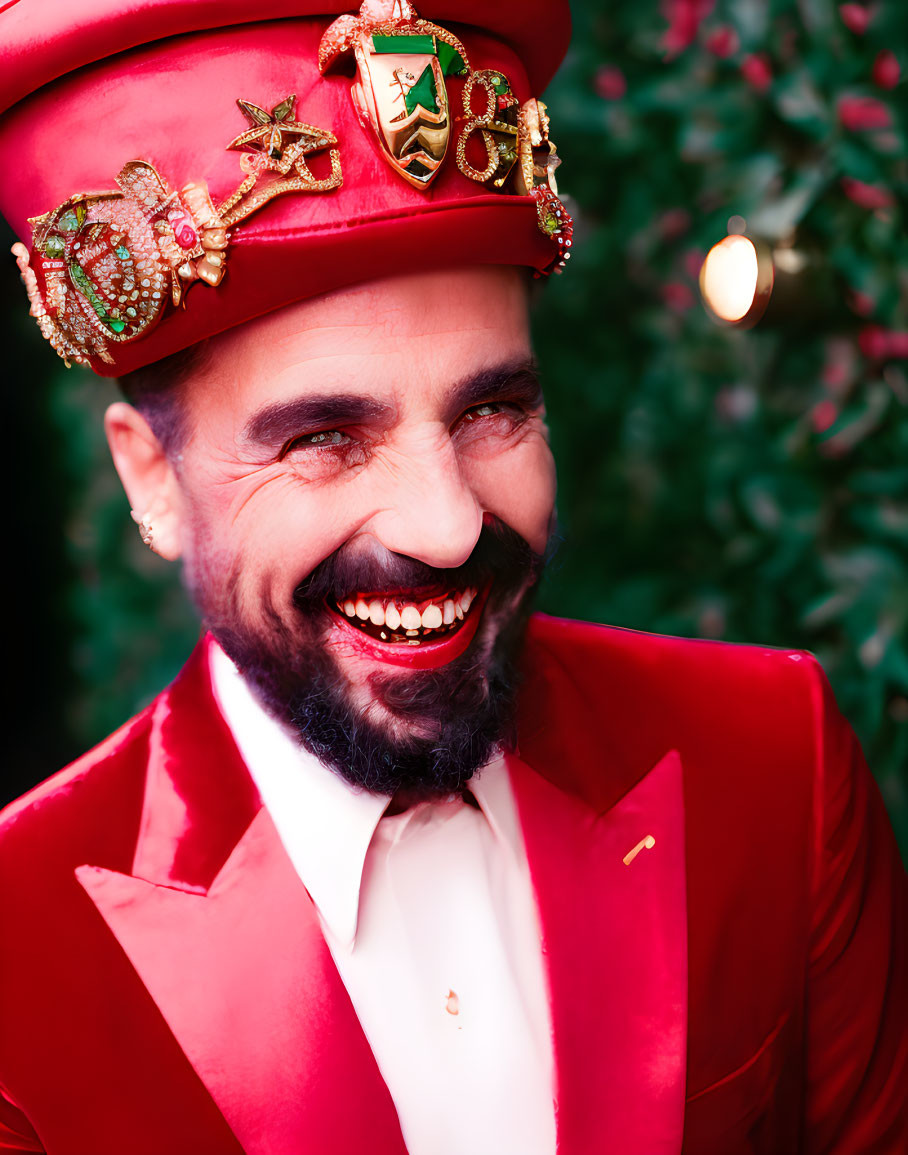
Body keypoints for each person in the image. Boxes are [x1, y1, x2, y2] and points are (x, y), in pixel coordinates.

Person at [1, 1, 905, 1152]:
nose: (441, 527)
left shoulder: (776, 763)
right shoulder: (15, 959)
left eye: (493, 411)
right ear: (153, 483)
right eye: (321, 438)